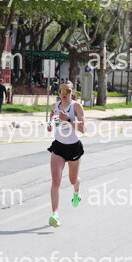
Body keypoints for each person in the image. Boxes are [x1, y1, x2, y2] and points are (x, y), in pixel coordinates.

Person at [46, 81, 86, 227]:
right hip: (58, 147)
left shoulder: (76, 106)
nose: (64, 93)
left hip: (74, 147)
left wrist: (68, 120)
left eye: (67, 91)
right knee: (56, 181)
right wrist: (50, 124)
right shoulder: (55, 106)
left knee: (72, 180)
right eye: (61, 91)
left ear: (72, 92)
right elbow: (52, 116)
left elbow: (83, 129)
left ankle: (76, 191)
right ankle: (55, 215)